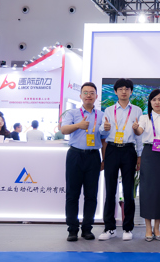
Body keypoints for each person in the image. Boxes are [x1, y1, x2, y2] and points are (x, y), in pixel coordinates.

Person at [98, 78, 144, 241]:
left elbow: (139, 136)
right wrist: (104, 128)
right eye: (120, 89)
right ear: (115, 92)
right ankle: (109, 228)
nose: (124, 91)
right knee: (110, 190)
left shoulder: (137, 110)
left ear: (131, 91)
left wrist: (139, 155)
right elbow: (102, 132)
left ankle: (128, 228)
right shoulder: (109, 110)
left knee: (129, 190)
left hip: (129, 150)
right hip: (112, 149)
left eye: (127, 89)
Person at [61, 82, 104, 242]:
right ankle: (72, 230)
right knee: (72, 195)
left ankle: (87, 229)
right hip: (75, 155)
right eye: (85, 92)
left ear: (96, 96)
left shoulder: (101, 115)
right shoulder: (72, 113)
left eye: (92, 93)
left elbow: (104, 139)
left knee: (91, 195)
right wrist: (78, 125)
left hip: (93, 156)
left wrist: (104, 159)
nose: (88, 95)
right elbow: (63, 130)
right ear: (80, 96)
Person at [135, 89, 160, 242]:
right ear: (150, 102)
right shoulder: (144, 117)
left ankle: (157, 228)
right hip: (148, 154)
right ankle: (147, 228)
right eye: (154, 100)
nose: (157, 102)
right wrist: (135, 128)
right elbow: (139, 131)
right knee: (147, 190)